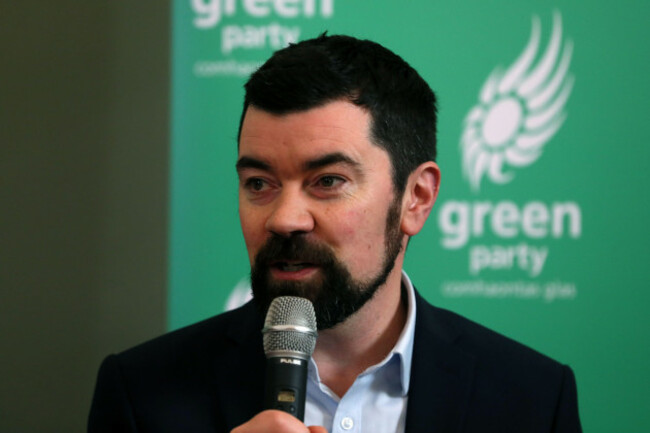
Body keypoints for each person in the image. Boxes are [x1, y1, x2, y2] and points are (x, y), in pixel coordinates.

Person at [88, 34, 582, 433]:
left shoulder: (532, 398)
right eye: (259, 183)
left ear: (416, 198)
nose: (284, 219)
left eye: (327, 182)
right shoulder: (142, 393)